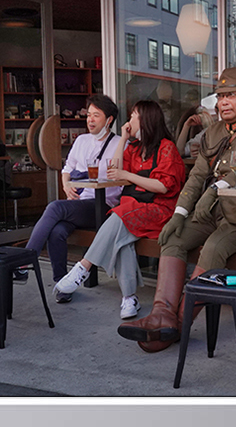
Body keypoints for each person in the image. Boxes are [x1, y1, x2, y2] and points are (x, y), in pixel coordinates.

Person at [117, 67, 236, 352]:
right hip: (209, 215)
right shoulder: (214, 131)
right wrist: (180, 213)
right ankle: (161, 314)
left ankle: (178, 326)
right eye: (220, 96)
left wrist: (215, 190)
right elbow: (196, 176)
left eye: (231, 95)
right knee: (172, 237)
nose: (224, 102)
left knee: (212, 248)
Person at [52, 101, 186, 318]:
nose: (129, 120)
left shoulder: (166, 147)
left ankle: (83, 268)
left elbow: (163, 186)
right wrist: (123, 138)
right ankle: (129, 299)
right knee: (122, 239)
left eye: (133, 116)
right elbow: (114, 171)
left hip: (158, 209)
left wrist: (128, 176)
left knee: (120, 216)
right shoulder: (133, 147)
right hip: (132, 209)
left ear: (145, 120)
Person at [18, 94, 121, 303]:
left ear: (109, 119)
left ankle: (23, 263)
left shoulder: (119, 144)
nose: (90, 120)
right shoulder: (82, 140)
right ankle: (62, 284)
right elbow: (67, 169)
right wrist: (66, 185)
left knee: (55, 207)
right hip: (79, 203)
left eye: (96, 115)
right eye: (88, 115)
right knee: (57, 231)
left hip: (104, 206)